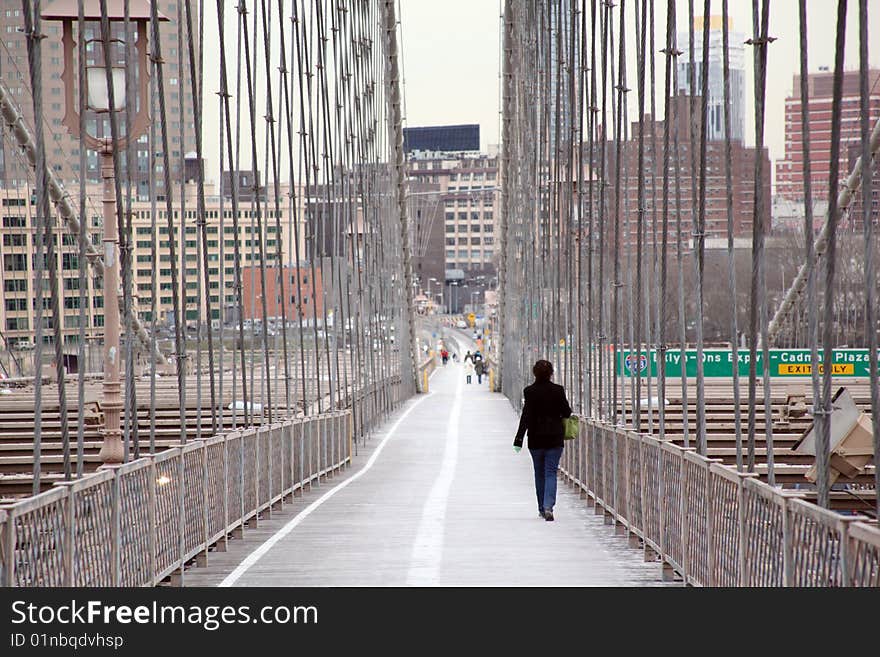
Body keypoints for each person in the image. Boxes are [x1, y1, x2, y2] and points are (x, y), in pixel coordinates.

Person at [513, 360, 572, 521]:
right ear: (551, 373)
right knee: (551, 472)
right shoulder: (558, 391)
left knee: (539, 473)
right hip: (554, 439)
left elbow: (525, 416)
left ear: (534, 373)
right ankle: (548, 507)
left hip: (536, 439)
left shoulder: (529, 391)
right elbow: (567, 412)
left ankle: (541, 507)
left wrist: (518, 438)